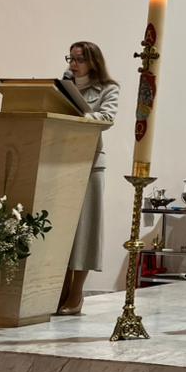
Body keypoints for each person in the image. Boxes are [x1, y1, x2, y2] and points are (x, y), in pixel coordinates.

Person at [56, 40, 119, 315]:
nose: (73, 64)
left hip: (89, 162)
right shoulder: (60, 87)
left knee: (84, 230)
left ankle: (76, 292)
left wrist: (80, 113)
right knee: (60, 229)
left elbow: (106, 118)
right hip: (58, 160)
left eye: (79, 59)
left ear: (93, 61)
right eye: (70, 58)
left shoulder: (108, 88)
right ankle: (57, 288)